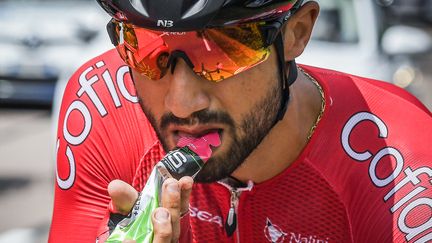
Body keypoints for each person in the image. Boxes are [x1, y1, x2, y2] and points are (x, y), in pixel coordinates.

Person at [49, 0, 432, 242]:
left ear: (297, 33)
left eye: (222, 54)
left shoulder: (401, 163)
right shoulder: (102, 105)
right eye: (147, 50)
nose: (181, 104)